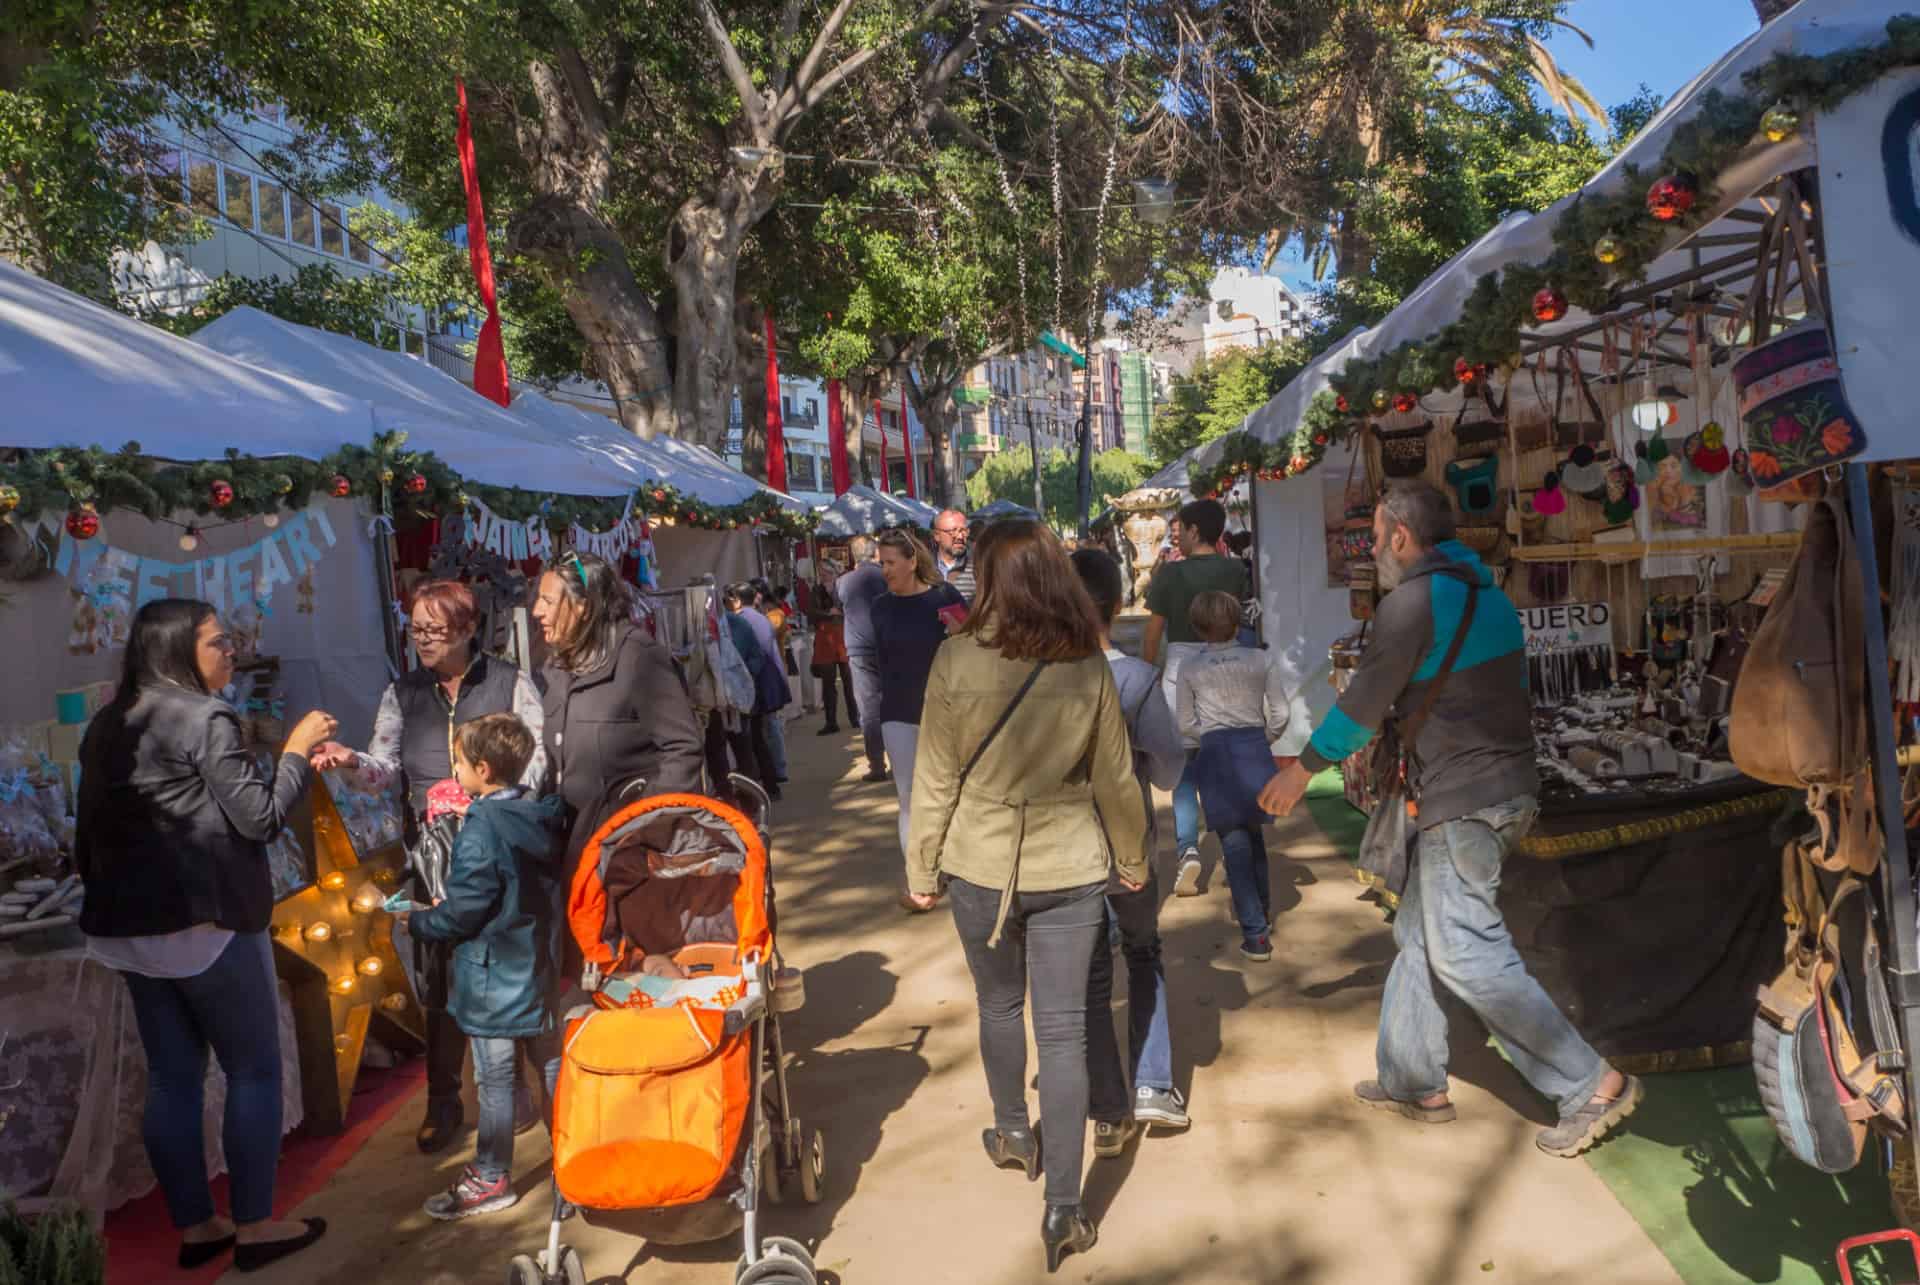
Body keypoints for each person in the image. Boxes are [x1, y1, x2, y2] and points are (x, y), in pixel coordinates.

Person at [1257, 480, 1643, 1157]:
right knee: (1420, 931)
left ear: (1402, 536)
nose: (1371, 547)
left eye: (1375, 535)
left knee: (1464, 947)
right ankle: (1413, 1077)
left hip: (1464, 797)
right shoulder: (1487, 593)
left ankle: (1592, 1082)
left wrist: (1301, 767)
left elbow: (1363, 706)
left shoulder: (1410, 603)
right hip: (1506, 787)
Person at [904, 518, 1149, 1275]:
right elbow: (1114, 776)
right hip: (1071, 861)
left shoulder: (954, 658)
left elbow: (935, 776)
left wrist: (921, 867)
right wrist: (1133, 855)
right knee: (1068, 1030)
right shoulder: (1086, 664)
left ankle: (1014, 1132)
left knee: (999, 1006)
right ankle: (1066, 1208)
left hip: (978, 863)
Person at [76, 599, 332, 1273]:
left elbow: (87, 835)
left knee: (173, 1079)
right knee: (252, 1067)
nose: (233, 652)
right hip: (206, 920)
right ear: (176, 650)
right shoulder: (206, 716)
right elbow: (259, 818)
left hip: (131, 929)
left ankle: (197, 1224)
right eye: (220, 642)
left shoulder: (108, 723)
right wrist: (297, 750)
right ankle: (254, 1224)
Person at [309, 578, 546, 1153]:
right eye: (415, 630)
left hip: (501, 852)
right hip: (434, 860)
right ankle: (444, 1099)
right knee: (436, 980)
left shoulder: (511, 683)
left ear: (468, 629)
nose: (423, 641)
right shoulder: (403, 692)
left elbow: (538, 764)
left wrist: (489, 806)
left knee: (507, 968)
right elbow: (384, 768)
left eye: (435, 631)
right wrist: (349, 763)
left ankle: (516, 1084)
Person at [407, 714, 570, 1219]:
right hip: (537, 964)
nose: (453, 772)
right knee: (551, 1067)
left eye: (458, 762)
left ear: (481, 769)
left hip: (492, 975)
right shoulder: (538, 814)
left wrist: (422, 922)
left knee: (496, 1080)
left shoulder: (482, 827)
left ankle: (491, 1176)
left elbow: (466, 908)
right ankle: (574, 1162)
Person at [1069, 549, 1191, 1148]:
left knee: (1090, 975)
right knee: (1143, 953)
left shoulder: (1040, 680)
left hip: (1063, 850)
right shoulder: (1137, 681)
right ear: (1119, 606)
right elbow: (1168, 771)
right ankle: (1153, 1082)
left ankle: (1107, 1110)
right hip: (1131, 842)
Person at [532, 550, 704, 861]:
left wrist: (639, 826)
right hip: (572, 853)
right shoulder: (556, 668)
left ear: (583, 607)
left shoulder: (638, 657)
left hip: (627, 861)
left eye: (547, 601)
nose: (536, 611)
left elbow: (683, 749)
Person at [1174, 591, 1307, 963]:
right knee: (1254, 832)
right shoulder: (1260, 659)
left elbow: (1185, 722)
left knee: (1234, 843)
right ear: (1237, 622)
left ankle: (1256, 933)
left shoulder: (1190, 667)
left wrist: (1210, 738)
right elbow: (1280, 714)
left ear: (1198, 628)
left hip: (1215, 754)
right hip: (1254, 749)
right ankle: (1260, 914)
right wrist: (1260, 739)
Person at [1141, 498, 1248, 898]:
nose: (1177, 535)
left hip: (1181, 670)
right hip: (1228, 668)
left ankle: (1188, 851)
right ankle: (1229, 844)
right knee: (1222, 762)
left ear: (1194, 532)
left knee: (1184, 770)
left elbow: (1153, 633)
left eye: (1180, 528)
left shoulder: (1170, 574)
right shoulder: (1236, 570)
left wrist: (1147, 674)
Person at [870, 529, 965, 860]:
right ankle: (919, 876)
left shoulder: (945, 597)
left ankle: (954, 864)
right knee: (909, 798)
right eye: (882, 563)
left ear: (912, 562)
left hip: (946, 714)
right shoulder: (880, 607)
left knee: (951, 792)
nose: (885, 570)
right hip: (897, 714)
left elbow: (971, 648)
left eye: (891, 562)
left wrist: (957, 634)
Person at [722, 580, 790, 798]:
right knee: (762, 735)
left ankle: (767, 782)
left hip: (753, 686)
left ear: (737, 600)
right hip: (760, 682)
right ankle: (773, 778)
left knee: (756, 738)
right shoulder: (760, 618)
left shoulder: (740, 622)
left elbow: (748, 657)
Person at [837, 533, 892, 783]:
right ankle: (899, 757)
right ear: (876, 552)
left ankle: (877, 763)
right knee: (894, 703)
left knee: (869, 709)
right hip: (888, 645)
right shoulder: (887, 576)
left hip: (859, 649)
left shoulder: (844, 581)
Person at [807, 567, 857, 735]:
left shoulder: (844, 588)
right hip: (825, 637)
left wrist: (838, 611)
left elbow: (851, 609)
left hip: (843, 636)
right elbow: (811, 612)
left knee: (849, 681)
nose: (824, 577)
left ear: (835, 574)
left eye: (827, 574)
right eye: (822, 574)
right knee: (828, 684)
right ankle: (831, 722)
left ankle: (855, 717)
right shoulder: (817, 590)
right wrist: (829, 613)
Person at [931, 507, 976, 602]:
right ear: (937, 535)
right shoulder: (924, 567)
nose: (960, 536)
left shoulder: (978, 566)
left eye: (964, 531)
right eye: (953, 531)